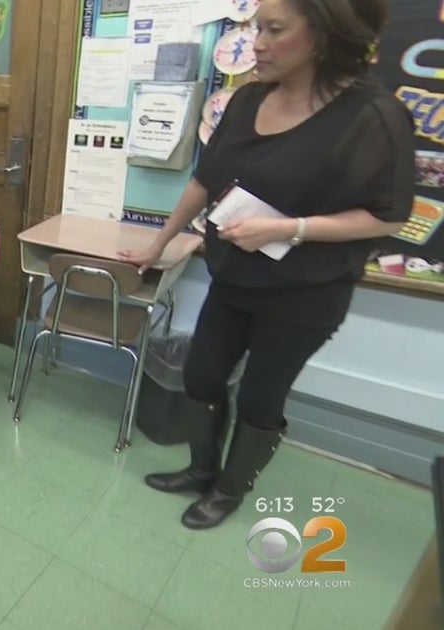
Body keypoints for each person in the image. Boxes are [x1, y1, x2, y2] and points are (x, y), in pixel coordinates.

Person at [119, 0, 413, 529]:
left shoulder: (374, 116)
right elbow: (204, 183)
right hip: (234, 277)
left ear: (323, 35)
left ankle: (229, 489)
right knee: (204, 376)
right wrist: (157, 243)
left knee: (260, 394)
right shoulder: (247, 99)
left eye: (274, 30)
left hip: (306, 292)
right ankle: (202, 468)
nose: (256, 43)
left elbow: (387, 217)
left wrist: (289, 229)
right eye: (257, 27)